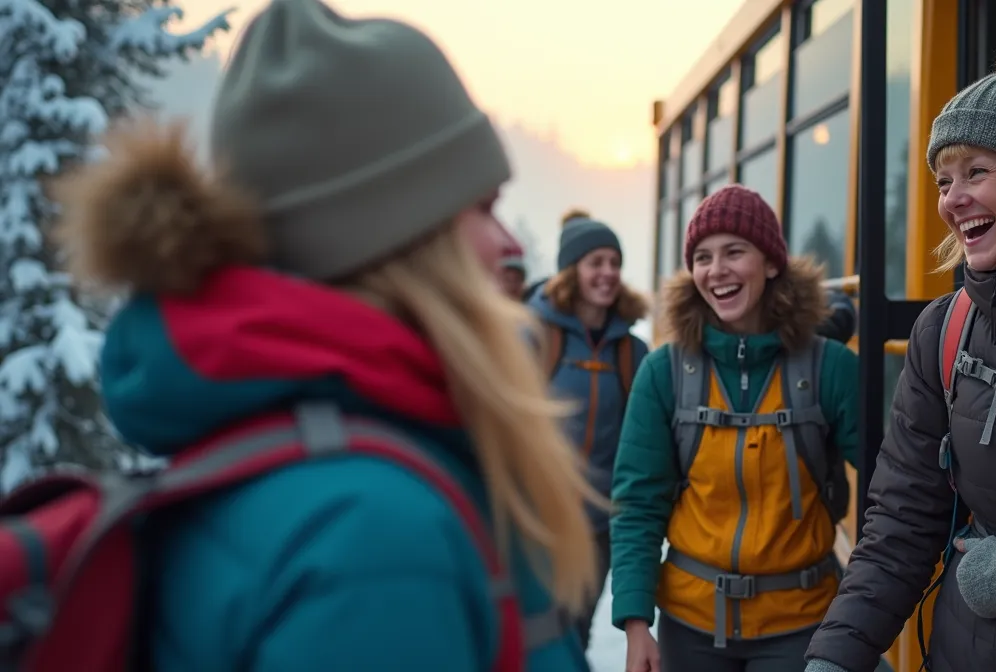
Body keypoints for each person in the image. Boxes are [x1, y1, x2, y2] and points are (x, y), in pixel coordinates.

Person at [50, 0, 599, 669]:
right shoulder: (373, 536)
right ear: (396, 238)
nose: (510, 244)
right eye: (482, 208)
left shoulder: (320, 467)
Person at [804, 38, 996, 672]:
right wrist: (834, 658)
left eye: (977, 173)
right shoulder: (946, 329)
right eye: (943, 181)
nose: (951, 201)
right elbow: (903, 519)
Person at [610, 184, 862, 672]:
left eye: (734, 252)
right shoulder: (664, 373)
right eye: (702, 257)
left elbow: (890, 490)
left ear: (770, 263)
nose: (716, 270)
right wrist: (636, 622)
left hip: (802, 624)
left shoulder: (830, 368)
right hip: (690, 626)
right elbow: (638, 502)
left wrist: (860, 615)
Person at [526, 214, 651, 656]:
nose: (608, 273)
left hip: (598, 525)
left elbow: (646, 438)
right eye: (595, 262)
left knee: (574, 632)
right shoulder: (533, 335)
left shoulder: (631, 352)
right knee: (532, 629)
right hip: (537, 518)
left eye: (615, 262)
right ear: (572, 270)